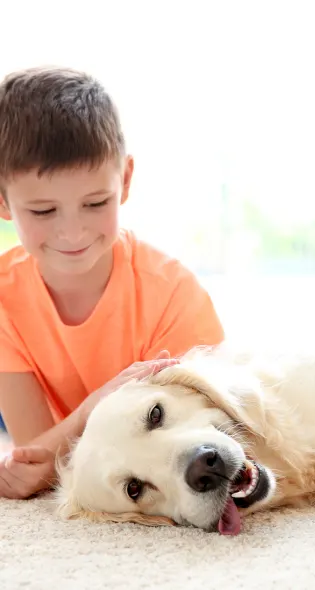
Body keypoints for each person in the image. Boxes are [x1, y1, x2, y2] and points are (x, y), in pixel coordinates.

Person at [0, 66, 225, 499]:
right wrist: (92, 409)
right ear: (4, 203)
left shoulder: (173, 294)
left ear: (124, 181)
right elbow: (34, 458)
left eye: (95, 202)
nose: (73, 233)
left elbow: (185, 447)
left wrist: (65, 436)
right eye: (44, 211)